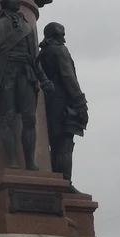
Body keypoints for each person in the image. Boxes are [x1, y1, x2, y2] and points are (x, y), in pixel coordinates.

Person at [0, 0, 53, 169]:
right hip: (5, 72)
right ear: (4, 1)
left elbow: (35, 56)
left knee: (29, 118)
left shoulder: (27, 27)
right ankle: (12, 161)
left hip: (26, 72)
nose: (19, 1)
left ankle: (30, 163)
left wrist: (44, 79)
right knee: (7, 118)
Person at [38, 22, 89, 187]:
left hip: (49, 101)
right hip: (63, 101)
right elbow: (68, 76)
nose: (64, 37)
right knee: (65, 143)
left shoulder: (43, 53)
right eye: (62, 33)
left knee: (55, 143)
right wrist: (80, 102)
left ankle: (56, 181)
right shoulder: (59, 50)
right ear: (54, 34)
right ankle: (65, 183)